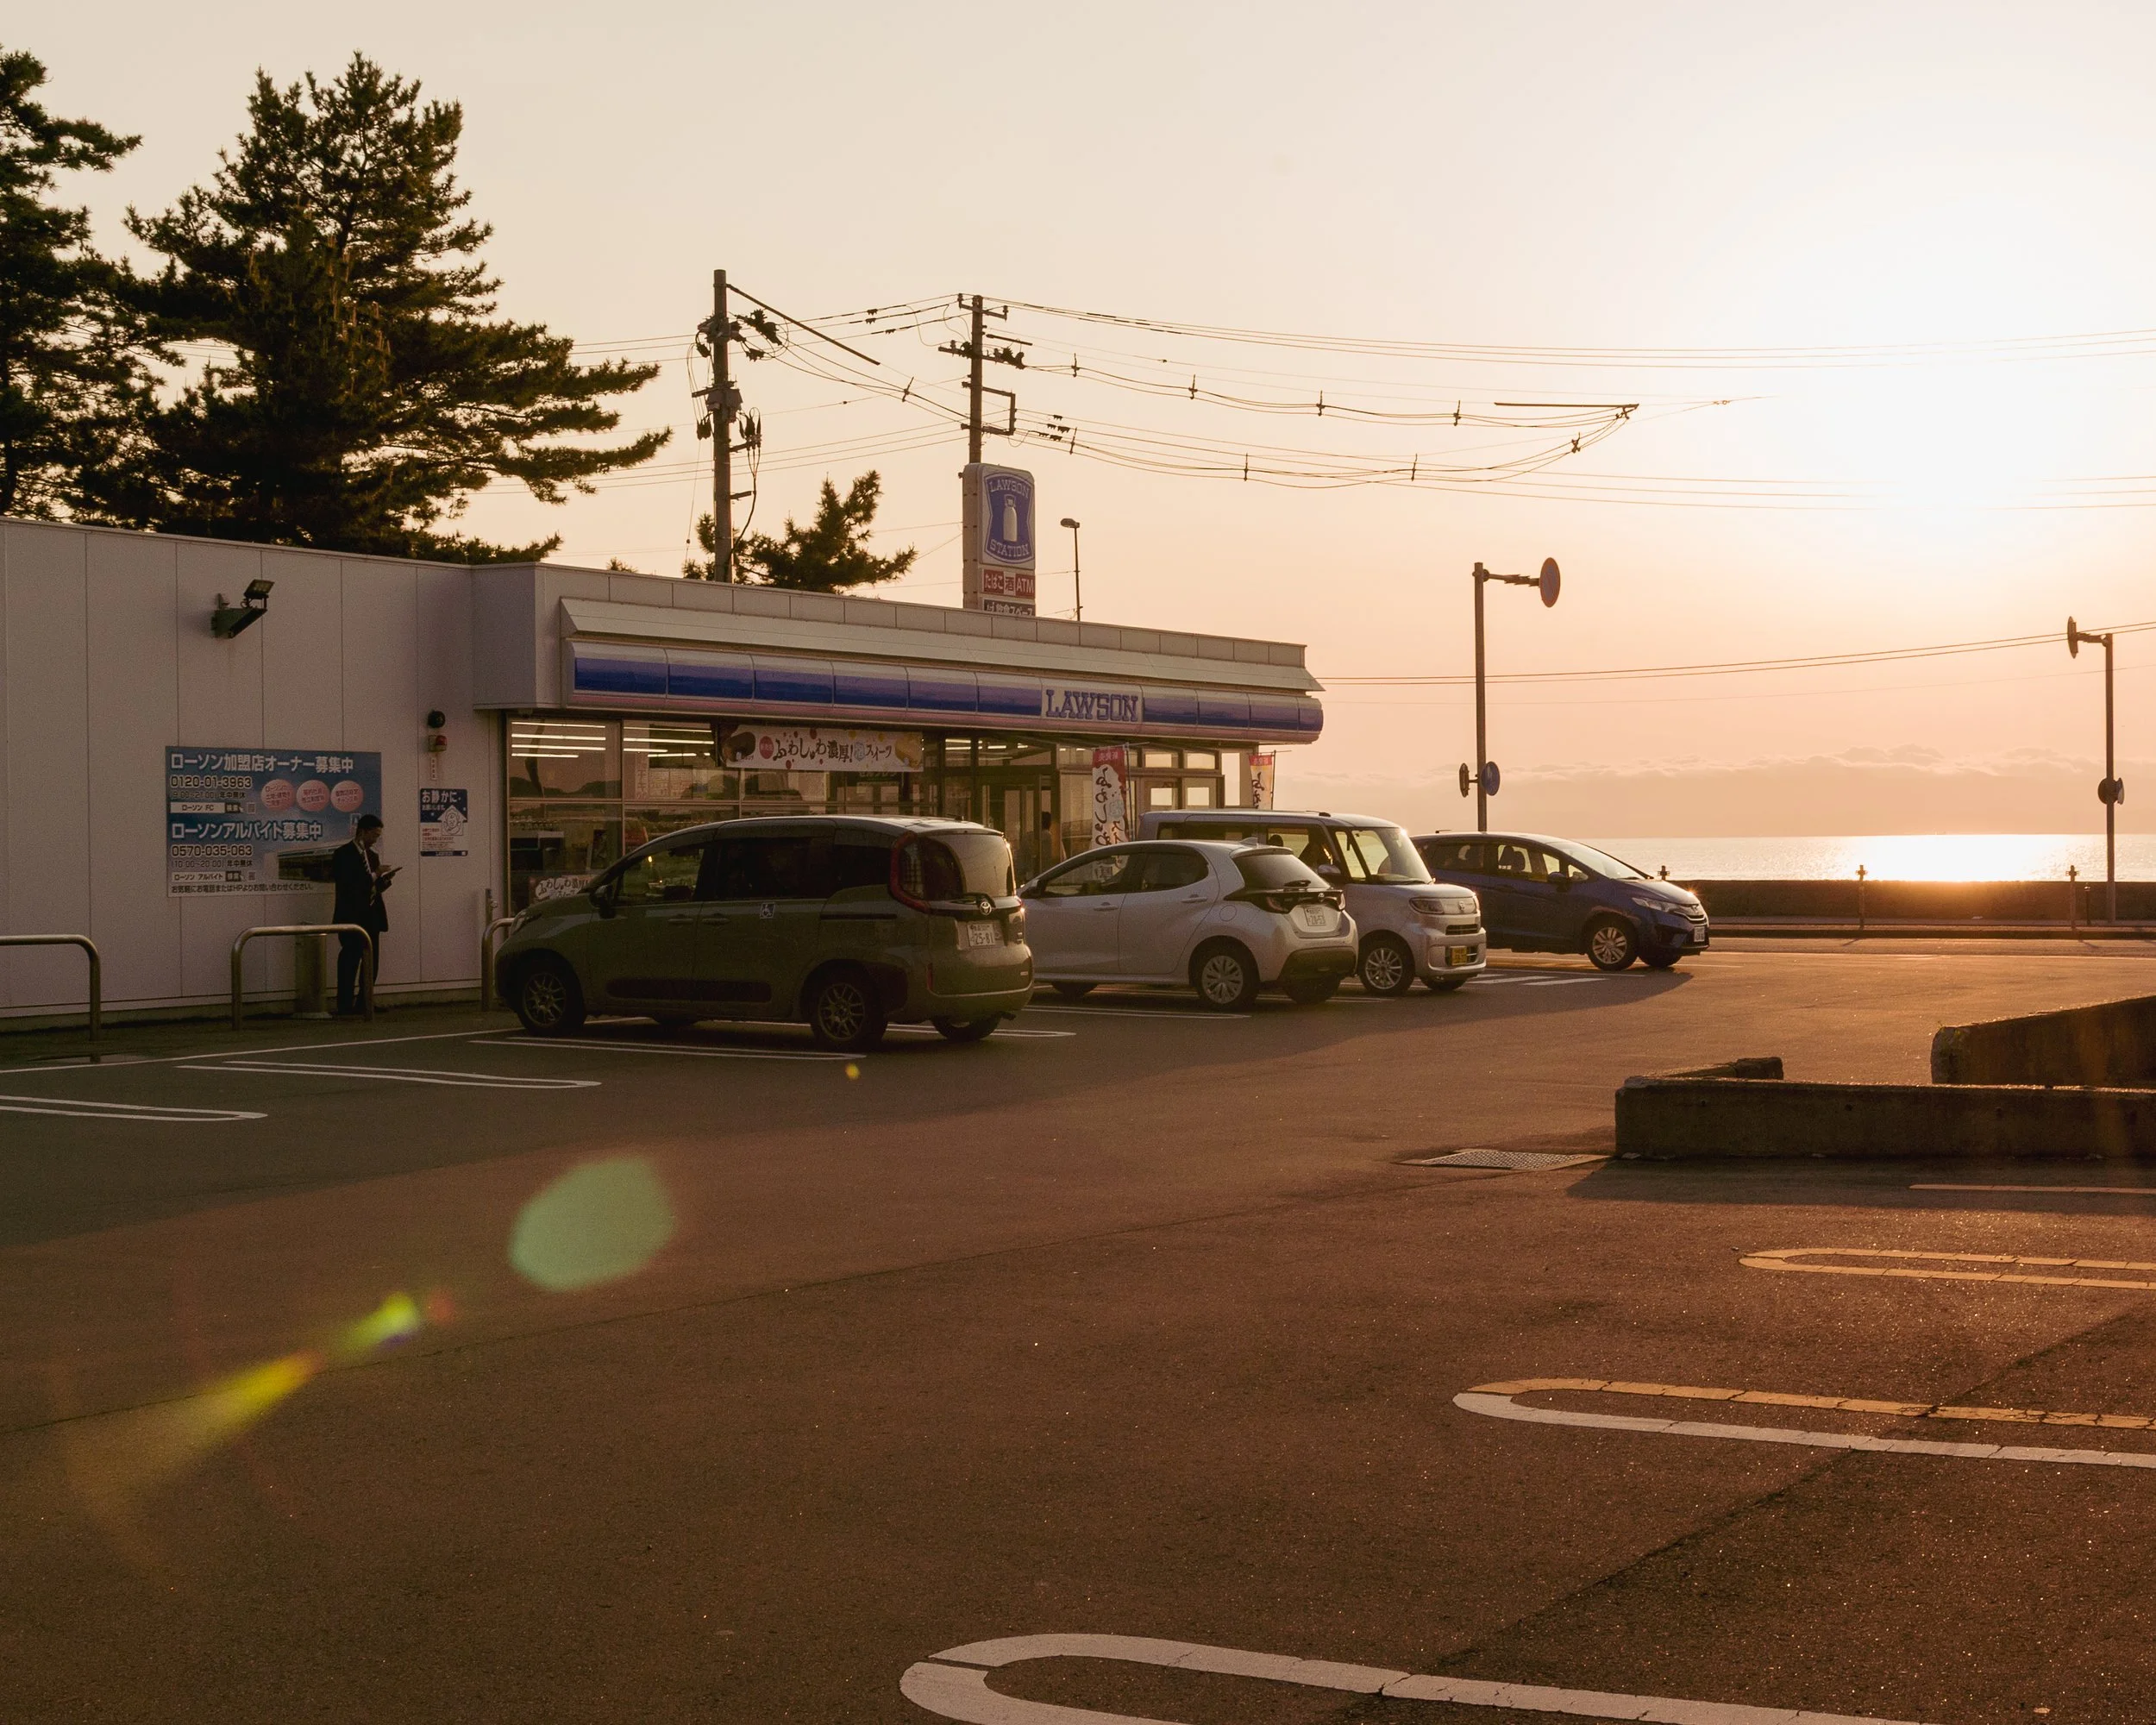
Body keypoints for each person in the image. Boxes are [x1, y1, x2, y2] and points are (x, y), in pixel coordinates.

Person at [330, 813, 398, 1014]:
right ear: (364, 831)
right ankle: (344, 1005)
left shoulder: (373, 856)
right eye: (375, 835)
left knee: (372, 961)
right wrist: (375, 874)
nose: (376, 839)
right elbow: (350, 885)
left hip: (371, 915)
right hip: (351, 916)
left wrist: (383, 880)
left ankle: (365, 1002)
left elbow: (371, 886)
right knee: (350, 960)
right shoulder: (343, 854)